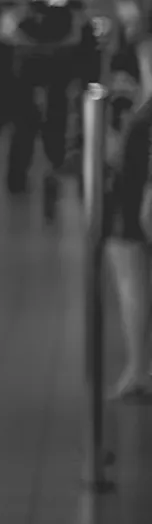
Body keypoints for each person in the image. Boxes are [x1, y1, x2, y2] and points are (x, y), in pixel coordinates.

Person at [107, 38, 152, 401]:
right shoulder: (141, 108)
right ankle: (137, 367)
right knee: (131, 282)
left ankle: (138, 368)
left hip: (137, 203)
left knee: (132, 283)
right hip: (132, 199)